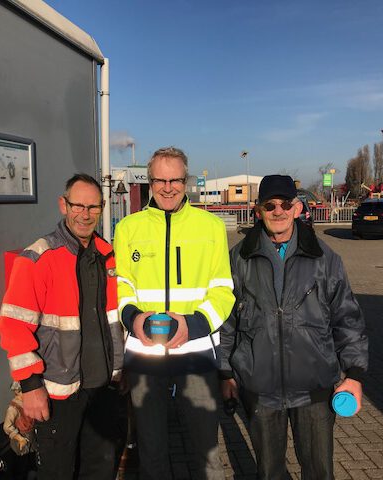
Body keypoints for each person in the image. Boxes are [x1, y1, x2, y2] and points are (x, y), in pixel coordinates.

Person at [220, 175, 368, 480]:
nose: (278, 211)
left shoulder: (324, 258)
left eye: (285, 204)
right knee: (269, 473)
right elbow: (225, 322)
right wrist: (225, 374)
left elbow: (347, 317)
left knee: (319, 472)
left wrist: (354, 374)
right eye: (270, 205)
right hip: (260, 389)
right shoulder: (238, 259)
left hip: (314, 388)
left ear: (298, 208)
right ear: (258, 210)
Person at [113, 146, 235, 479]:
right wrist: (133, 318)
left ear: (186, 181)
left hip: (196, 353)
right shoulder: (128, 228)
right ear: (150, 182)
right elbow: (121, 286)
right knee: (151, 452)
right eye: (160, 181)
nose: (168, 188)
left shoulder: (211, 227)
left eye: (175, 180)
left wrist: (194, 325)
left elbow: (223, 291)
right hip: (144, 355)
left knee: (206, 453)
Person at [0, 174, 124, 480]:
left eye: (93, 207)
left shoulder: (108, 257)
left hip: (103, 389)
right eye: (78, 205)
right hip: (58, 395)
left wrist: (122, 370)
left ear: (102, 208)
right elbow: (14, 326)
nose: (85, 214)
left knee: (101, 470)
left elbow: (115, 321)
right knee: (58, 473)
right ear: (63, 205)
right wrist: (31, 387)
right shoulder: (39, 258)